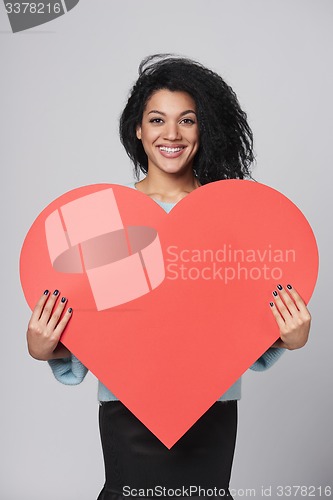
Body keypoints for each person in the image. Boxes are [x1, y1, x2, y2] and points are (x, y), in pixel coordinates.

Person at [26, 54, 311, 499]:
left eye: (187, 120)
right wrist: (49, 349)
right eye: (157, 119)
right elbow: (101, 319)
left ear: (204, 129)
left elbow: (239, 326)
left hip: (213, 412)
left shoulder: (228, 217)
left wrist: (286, 337)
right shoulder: (110, 216)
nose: (172, 134)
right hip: (127, 412)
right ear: (138, 130)